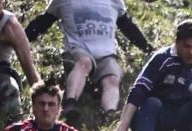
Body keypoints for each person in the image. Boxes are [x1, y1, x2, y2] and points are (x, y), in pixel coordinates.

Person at [23, 0, 153, 123]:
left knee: (112, 78)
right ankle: (70, 103)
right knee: (85, 62)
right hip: (77, 50)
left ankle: (110, 113)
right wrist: (22, 39)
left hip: (106, 53)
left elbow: (127, 26)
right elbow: (43, 22)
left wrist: (147, 48)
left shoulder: (115, 1)